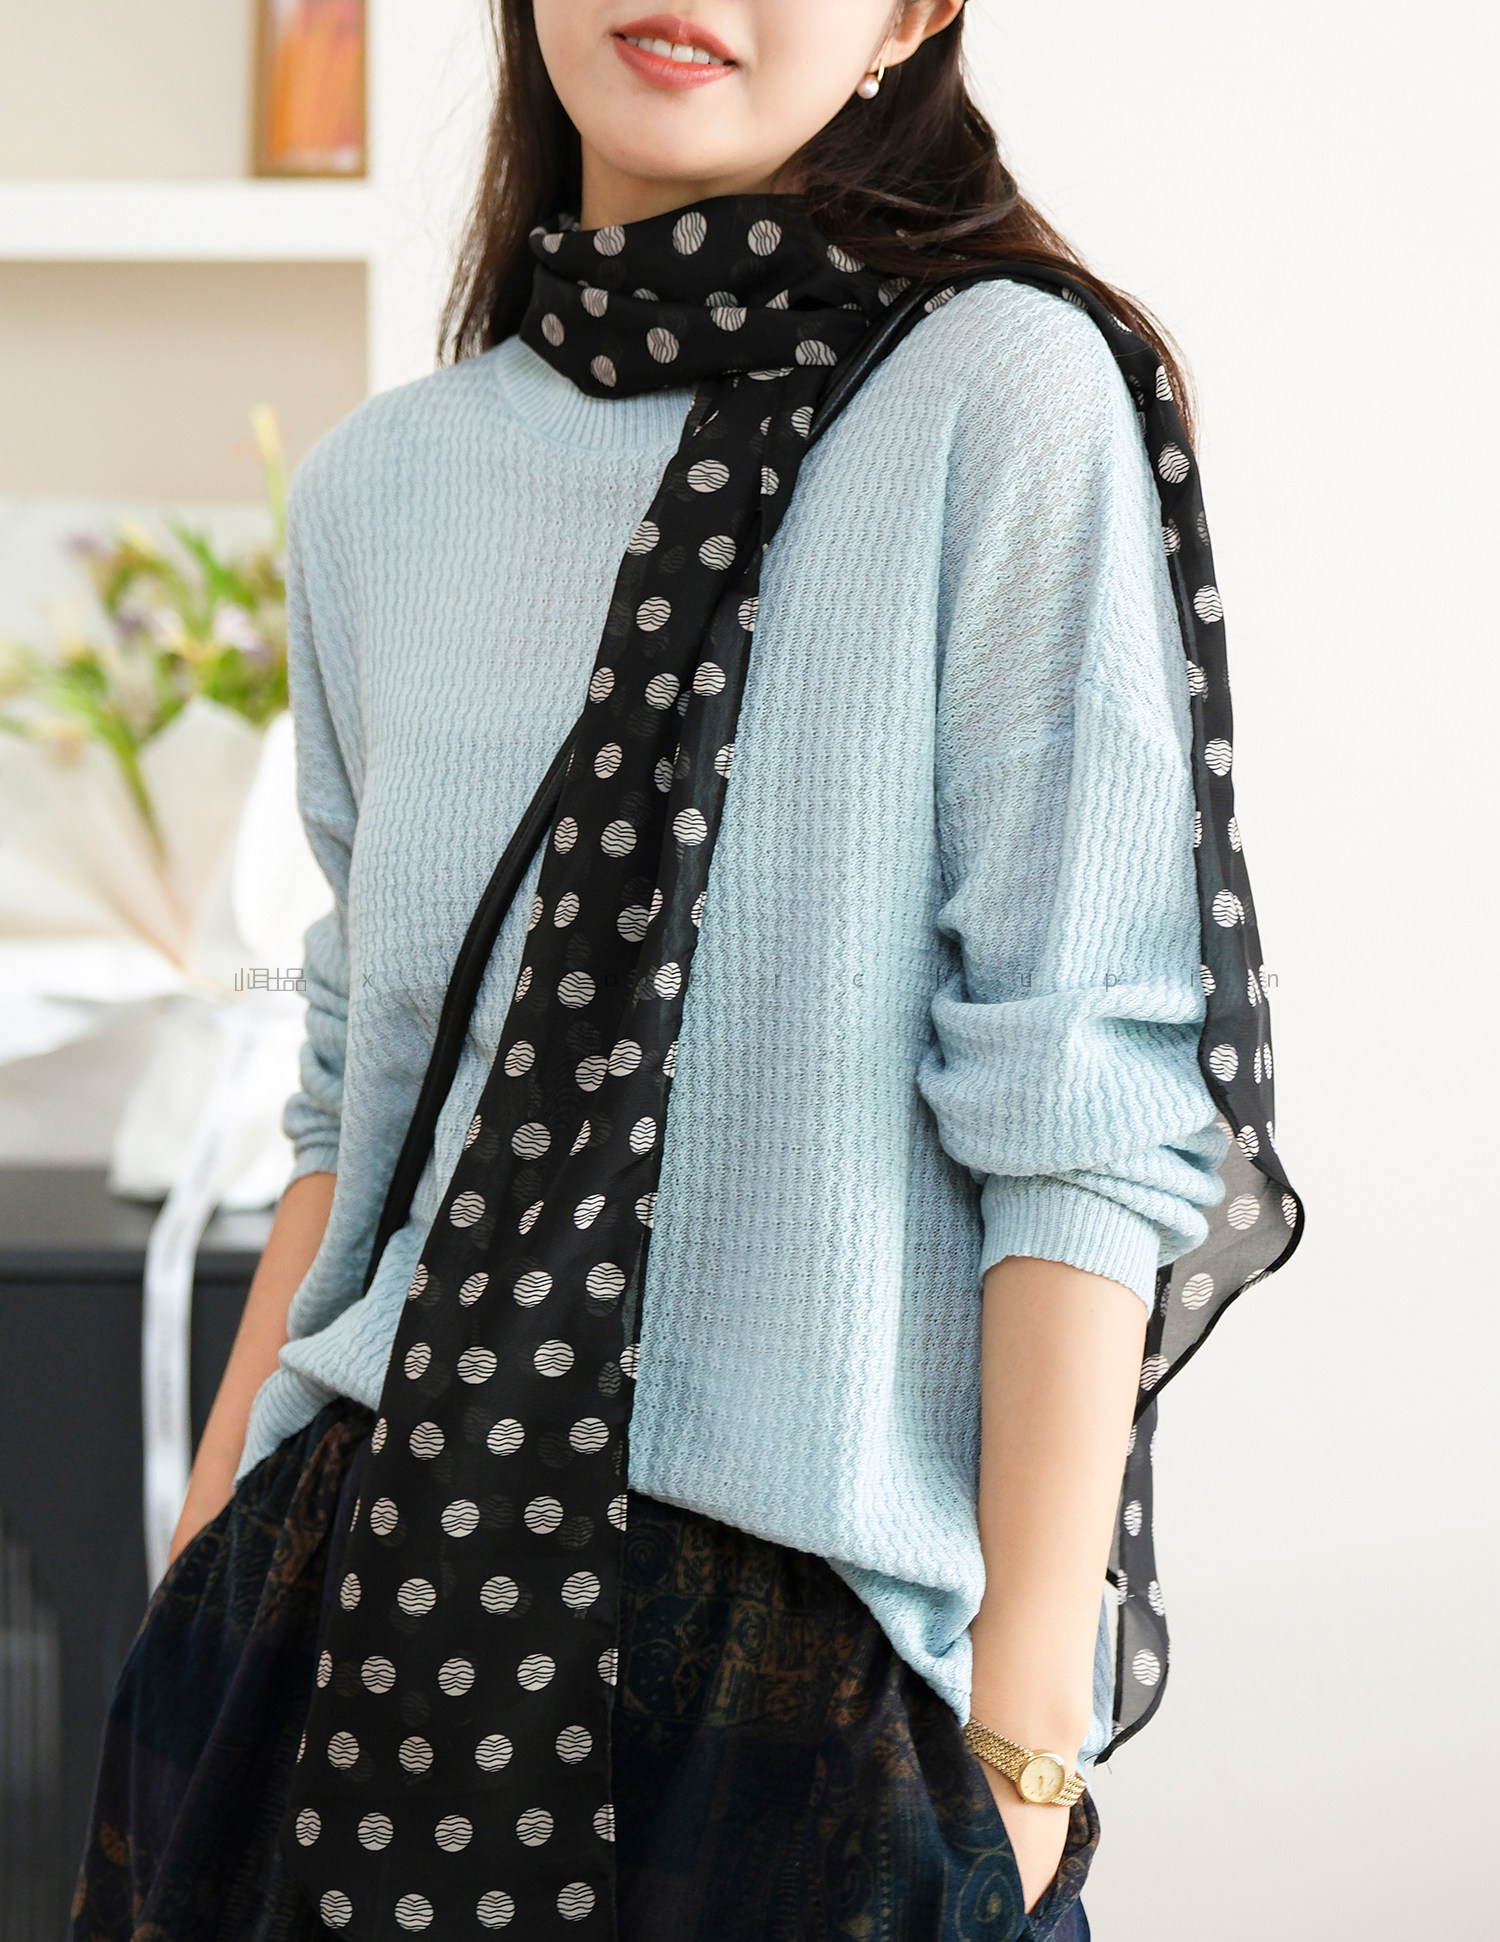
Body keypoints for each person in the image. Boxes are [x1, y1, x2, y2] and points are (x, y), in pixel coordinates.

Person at [73, 6, 1301, 1940]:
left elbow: (1082, 1097)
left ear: (916, 12)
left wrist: (1026, 1746)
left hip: (798, 1688)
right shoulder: (383, 487)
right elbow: (351, 1094)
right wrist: (201, 1554)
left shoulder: (1003, 392)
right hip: (327, 1616)